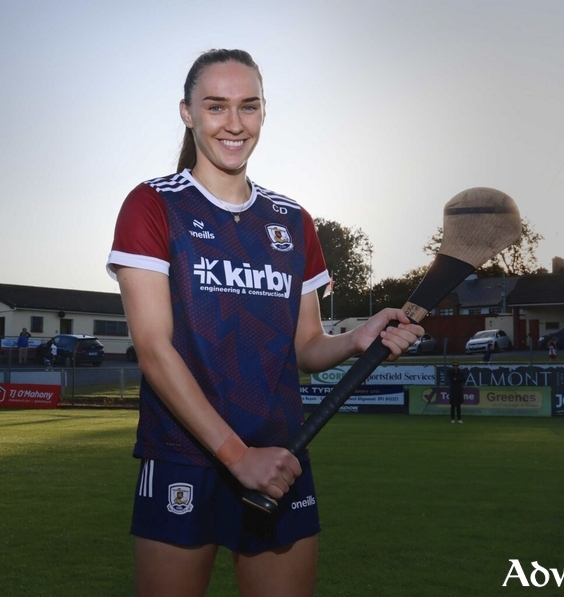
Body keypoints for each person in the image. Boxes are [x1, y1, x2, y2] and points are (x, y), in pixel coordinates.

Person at [106, 48, 423, 597]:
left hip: (280, 456)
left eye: (248, 107)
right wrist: (235, 456)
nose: (234, 123)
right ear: (187, 112)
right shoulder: (153, 204)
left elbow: (306, 345)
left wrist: (356, 338)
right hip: (184, 455)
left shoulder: (292, 220)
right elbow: (155, 349)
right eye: (216, 106)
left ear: (263, 112)